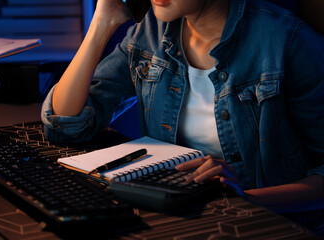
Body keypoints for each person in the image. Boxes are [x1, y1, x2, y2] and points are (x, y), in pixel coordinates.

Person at [42, 0, 324, 234]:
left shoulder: (286, 40)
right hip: (177, 221)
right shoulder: (150, 31)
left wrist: (244, 198)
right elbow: (66, 124)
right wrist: (102, 23)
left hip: (265, 228)